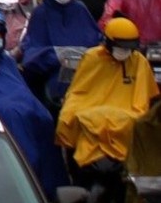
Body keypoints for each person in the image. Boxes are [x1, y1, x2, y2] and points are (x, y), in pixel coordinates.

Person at [0, 9, 68, 195]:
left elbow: (20, 89)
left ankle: (48, 186)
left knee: (45, 119)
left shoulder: (8, 62)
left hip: (21, 107)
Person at [57, 16, 159, 169]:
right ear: (109, 43)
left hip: (128, 111)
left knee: (134, 123)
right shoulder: (92, 58)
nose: (125, 52)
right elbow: (79, 91)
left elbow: (145, 98)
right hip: (90, 107)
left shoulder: (139, 61)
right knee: (73, 117)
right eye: (121, 48)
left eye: (128, 49)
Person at [23, 0, 102, 105]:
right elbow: (31, 53)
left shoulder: (80, 9)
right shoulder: (41, 13)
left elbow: (95, 42)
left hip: (83, 74)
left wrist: (82, 57)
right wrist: (57, 56)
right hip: (52, 74)